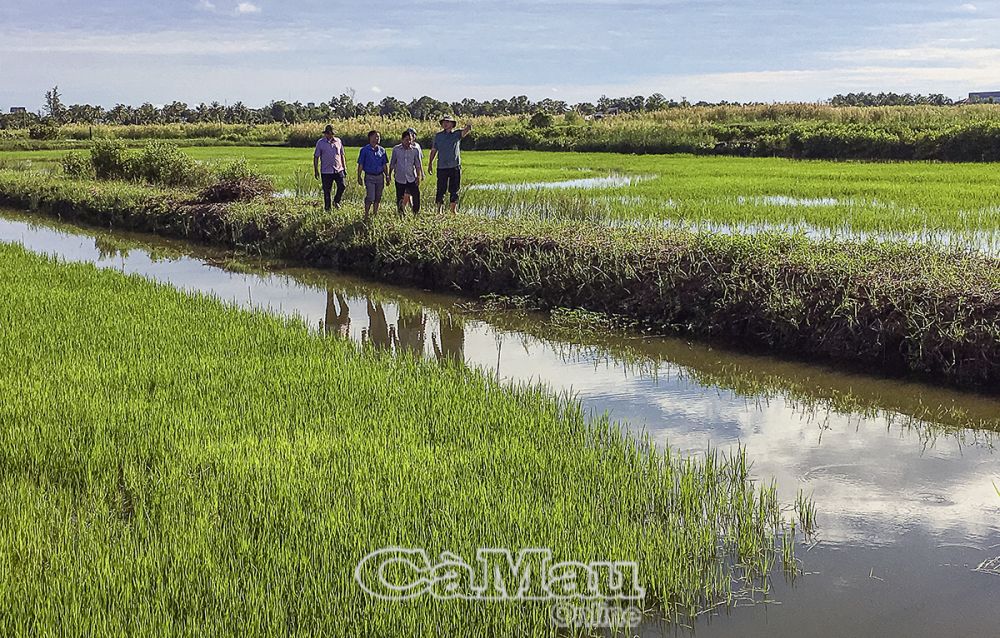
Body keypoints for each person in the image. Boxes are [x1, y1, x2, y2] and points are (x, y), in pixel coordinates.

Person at [427, 115, 471, 213]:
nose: (445, 124)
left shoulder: (456, 134)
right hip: (442, 166)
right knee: (441, 189)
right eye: (444, 122)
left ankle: (453, 210)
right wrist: (430, 163)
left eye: (448, 122)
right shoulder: (438, 136)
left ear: (452, 124)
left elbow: (465, 131)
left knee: (454, 189)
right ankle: (439, 210)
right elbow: (434, 150)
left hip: (454, 166)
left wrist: (468, 126)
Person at [389, 128, 424, 215]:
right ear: (402, 140)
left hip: (411, 177)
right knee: (400, 197)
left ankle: (415, 212)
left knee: (416, 196)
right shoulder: (396, 150)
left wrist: (419, 176)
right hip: (400, 177)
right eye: (406, 140)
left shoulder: (415, 150)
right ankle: (401, 213)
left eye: (410, 140)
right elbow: (392, 163)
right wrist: (389, 175)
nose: (408, 142)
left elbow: (418, 164)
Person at [357, 130, 390, 219]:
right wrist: (359, 176)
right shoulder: (364, 150)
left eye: (378, 137)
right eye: (375, 136)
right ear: (370, 138)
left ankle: (375, 214)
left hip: (380, 176)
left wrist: (387, 176)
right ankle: (366, 214)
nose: (377, 139)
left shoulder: (382, 150)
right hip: (369, 177)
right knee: (370, 196)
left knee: (378, 197)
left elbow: (384, 164)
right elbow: (361, 164)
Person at [313, 124, 347, 211]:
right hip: (326, 171)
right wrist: (316, 170)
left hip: (338, 169)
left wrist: (344, 167)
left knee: (342, 186)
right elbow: (316, 156)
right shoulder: (320, 143)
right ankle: (327, 209)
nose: (328, 135)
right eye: (327, 133)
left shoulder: (338, 141)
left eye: (330, 133)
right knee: (327, 191)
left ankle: (336, 201)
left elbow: (342, 155)